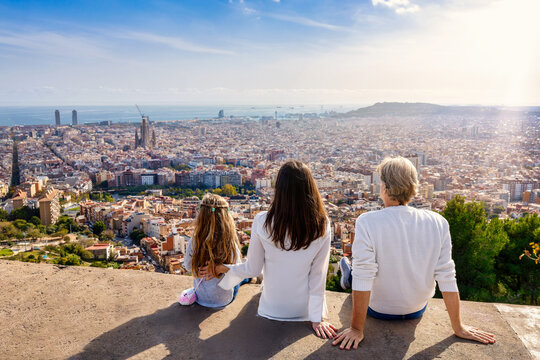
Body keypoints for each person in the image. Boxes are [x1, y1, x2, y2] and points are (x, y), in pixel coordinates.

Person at [333, 157, 496, 350]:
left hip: (378, 310)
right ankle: (348, 270)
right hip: (416, 309)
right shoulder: (438, 222)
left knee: (356, 272)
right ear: (413, 187)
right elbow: (446, 275)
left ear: (384, 187)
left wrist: (356, 329)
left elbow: (364, 276)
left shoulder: (367, 221)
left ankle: (347, 273)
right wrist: (458, 327)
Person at [200, 160, 337, 338]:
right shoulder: (322, 224)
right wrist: (317, 318)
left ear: (279, 189)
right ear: (310, 189)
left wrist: (220, 268)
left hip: (271, 307)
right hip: (305, 310)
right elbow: (318, 275)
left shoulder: (262, 221)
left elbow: (253, 269)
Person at [183, 193, 247, 308]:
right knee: (243, 278)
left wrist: (200, 270)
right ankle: (251, 278)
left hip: (200, 297)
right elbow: (238, 271)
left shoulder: (195, 240)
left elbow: (187, 266)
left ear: (200, 216)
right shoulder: (229, 243)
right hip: (224, 299)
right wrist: (220, 268)